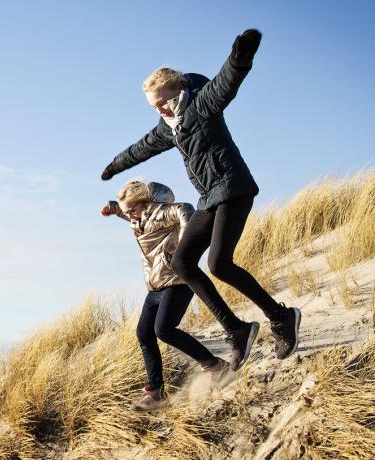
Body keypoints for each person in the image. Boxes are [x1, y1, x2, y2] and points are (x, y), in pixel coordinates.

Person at [100, 29, 301, 372]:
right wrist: (114, 166)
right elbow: (141, 148)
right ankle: (236, 329)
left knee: (219, 263)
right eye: (154, 106)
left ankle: (280, 317)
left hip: (234, 188)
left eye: (162, 100)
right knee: (182, 262)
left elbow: (226, 82)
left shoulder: (202, 103)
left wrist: (240, 57)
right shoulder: (169, 127)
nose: (160, 109)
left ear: (178, 89)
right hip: (209, 197)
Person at [102, 180, 231, 412]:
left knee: (164, 330)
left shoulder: (162, 213)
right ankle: (156, 392)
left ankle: (214, 365)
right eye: (127, 211)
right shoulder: (137, 218)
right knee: (144, 333)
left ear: (146, 203)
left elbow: (185, 209)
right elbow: (127, 212)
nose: (130, 215)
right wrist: (113, 208)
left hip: (177, 282)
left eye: (133, 209)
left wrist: (185, 240)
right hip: (155, 286)